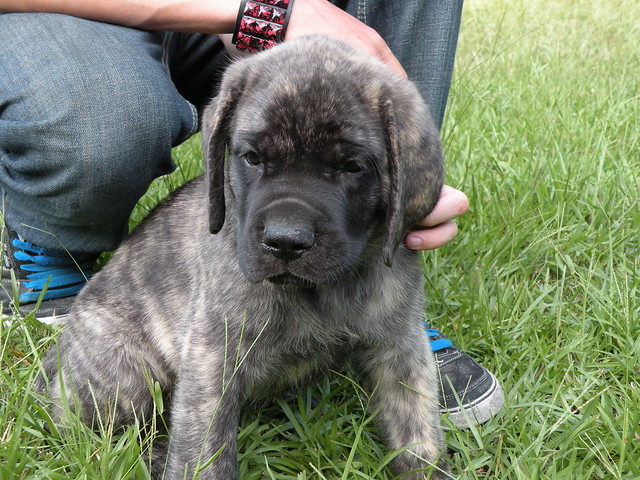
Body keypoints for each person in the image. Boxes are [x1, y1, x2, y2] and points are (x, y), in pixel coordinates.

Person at [0, 0, 503, 428]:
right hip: (77, 16)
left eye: (348, 164)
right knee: (107, 116)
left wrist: (409, 185)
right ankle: (57, 247)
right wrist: (263, 11)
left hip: (252, 23)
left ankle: (379, 258)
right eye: (255, 158)